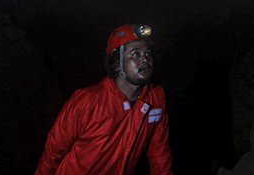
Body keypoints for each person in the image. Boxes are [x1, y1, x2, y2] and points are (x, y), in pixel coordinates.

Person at [35, 24, 173, 175]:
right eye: (135, 54)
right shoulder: (88, 100)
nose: (145, 59)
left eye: (148, 54)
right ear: (117, 63)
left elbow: (160, 155)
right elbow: (53, 153)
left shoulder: (156, 98)